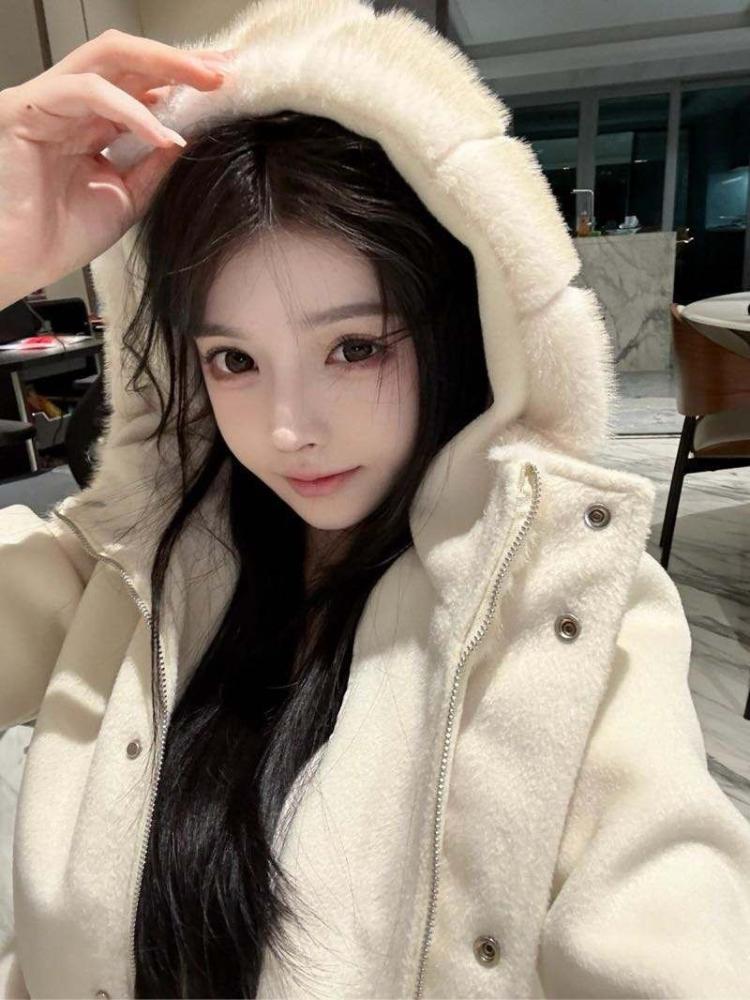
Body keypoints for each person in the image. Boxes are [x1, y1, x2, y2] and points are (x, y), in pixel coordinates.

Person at [1, 2, 749, 998]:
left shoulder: (566, 616)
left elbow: (672, 930)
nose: (287, 429)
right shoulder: (120, 570)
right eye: (234, 360)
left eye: (354, 347)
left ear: (458, 330)